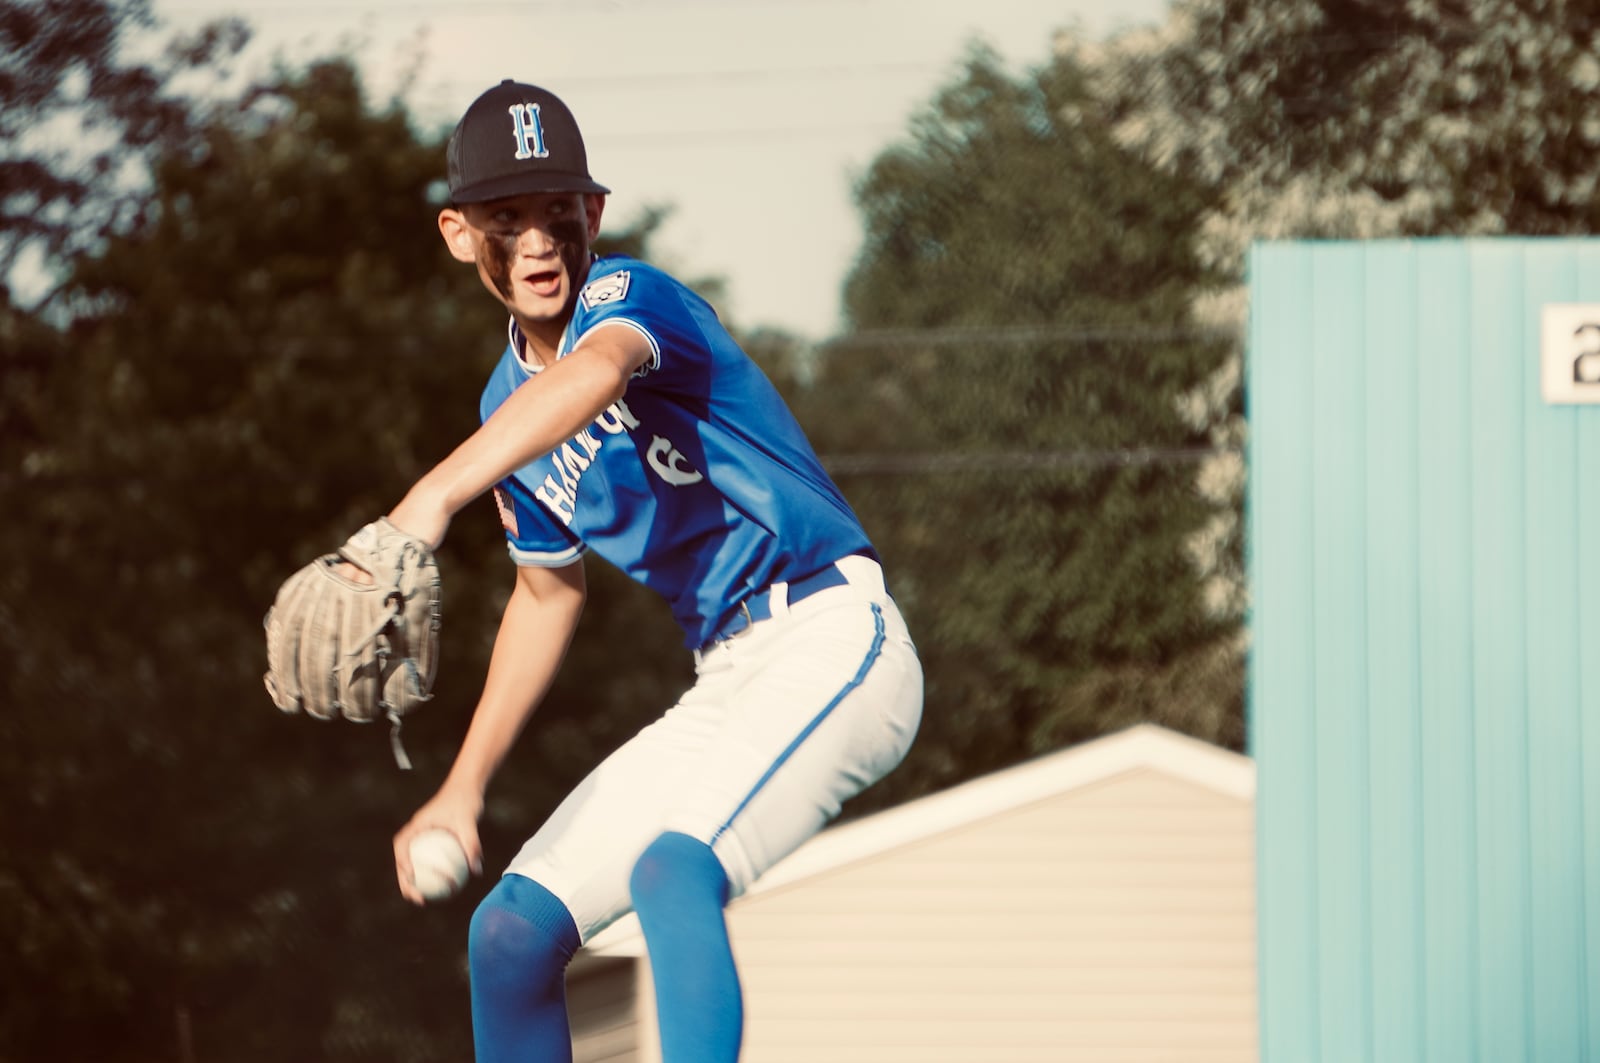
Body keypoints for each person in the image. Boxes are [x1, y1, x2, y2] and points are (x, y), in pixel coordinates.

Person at [385, 79, 923, 1063]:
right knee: (506, 932)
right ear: (459, 234)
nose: (540, 242)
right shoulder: (503, 408)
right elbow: (546, 592)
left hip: (837, 634)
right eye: (508, 219)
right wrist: (461, 785)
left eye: (559, 213)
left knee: (672, 873)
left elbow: (590, 376)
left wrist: (429, 500)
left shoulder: (632, 299)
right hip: (725, 677)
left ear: (594, 213)